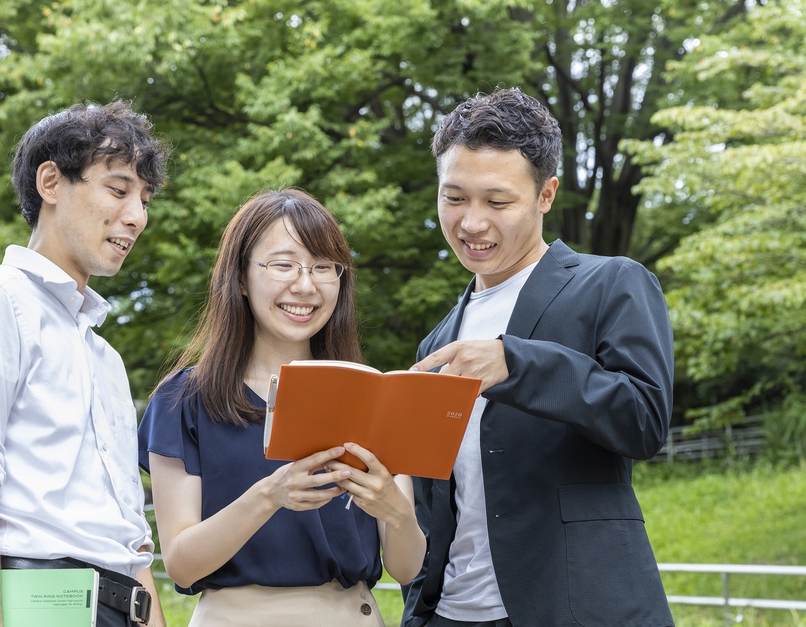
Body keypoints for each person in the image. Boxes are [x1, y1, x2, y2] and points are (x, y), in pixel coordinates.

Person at [401, 88, 676, 627]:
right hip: (450, 612)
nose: (472, 223)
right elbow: (437, 500)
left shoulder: (612, 283)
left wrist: (518, 364)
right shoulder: (436, 344)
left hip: (574, 608)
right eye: (453, 198)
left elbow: (645, 421)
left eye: (497, 202)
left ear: (546, 195)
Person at [0, 100, 169, 627]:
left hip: (120, 609)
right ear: (51, 182)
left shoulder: (105, 358)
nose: (137, 216)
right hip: (33, 607)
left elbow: (129, 531)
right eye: (119, 190)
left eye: (145, 200)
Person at [138, 188, 426, 626]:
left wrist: (395, 510)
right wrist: (269, 496)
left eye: (323, 267)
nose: (305, 285)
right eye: (283, 264)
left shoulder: (371, 397)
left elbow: (405, 568)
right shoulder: (185, 399)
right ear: (239, 277)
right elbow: (180, 563)